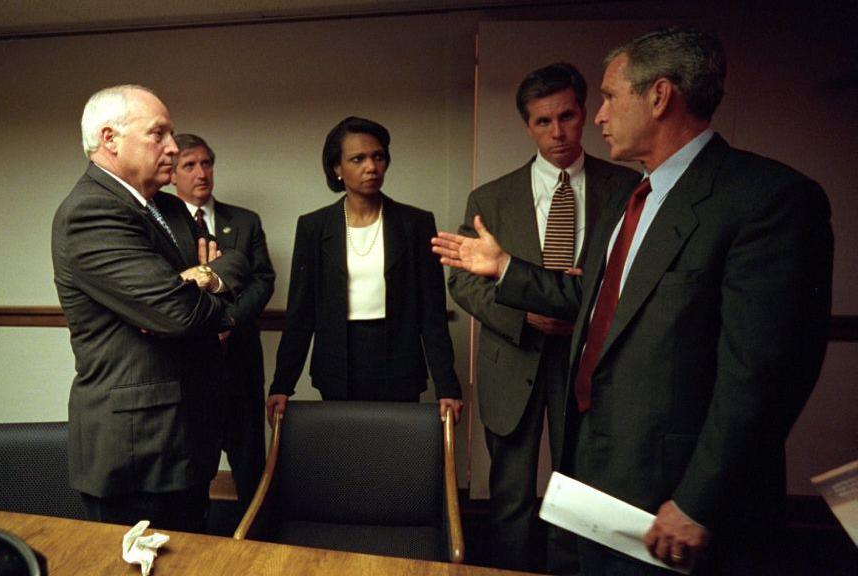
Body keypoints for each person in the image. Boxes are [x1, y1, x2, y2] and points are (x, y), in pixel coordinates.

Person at [433, 27, 833, 574]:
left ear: (660, 96)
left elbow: (762, 376)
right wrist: (504, 268)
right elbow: (592, 296)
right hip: (600, 459)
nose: (597, 117)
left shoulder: (767, 201)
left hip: (675, 486)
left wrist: (699, 500)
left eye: (607, 98)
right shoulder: (638, 199)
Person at [449, 62, 639, 573]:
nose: (557, 132)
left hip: (591, 365)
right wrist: (524, 317)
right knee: (510, 497)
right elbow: (463, 281)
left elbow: (638, 282)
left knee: (578, 498)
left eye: (568, 116)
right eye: (542, 121)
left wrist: (579, 314)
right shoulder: (490, 197)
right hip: (513, 360)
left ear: (584, 114)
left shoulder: (627, 189)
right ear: (527, 125)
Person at [52, 85, 248, 533]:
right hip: (137, 454)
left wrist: (203, 278)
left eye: (172, 134)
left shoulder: (170, 207)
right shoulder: (89, 212)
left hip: (188, 440)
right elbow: (177, 314)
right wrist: (193, 294)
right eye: (158, 133)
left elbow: (236, 262)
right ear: (110, 139)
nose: (174, 148)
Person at [267, 116, 462, 423]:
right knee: (344, 457)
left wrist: (447, 386)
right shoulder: (314, 227)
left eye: (378, 156)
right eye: (357, 159)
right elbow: (300, 313)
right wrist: (282, 385)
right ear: (337, 168)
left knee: (397, 459)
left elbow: (432, 313)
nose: (371, 167)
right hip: (338, 362)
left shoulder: (416, 223)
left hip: (398, 359)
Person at [171, 133, 275, 506]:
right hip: (190, 371)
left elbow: (263, 280)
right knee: (192, 472)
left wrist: (227, 322)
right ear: (172, 174)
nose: (202, 173)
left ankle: (259, 550)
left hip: (240, 365)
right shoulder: (164, 226)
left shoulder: (244, 222)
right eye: (189, 165)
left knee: (251, 468)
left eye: (206, 163)